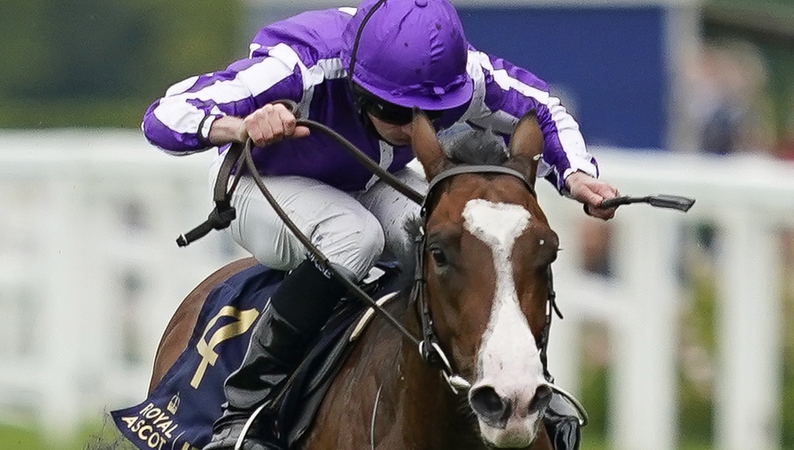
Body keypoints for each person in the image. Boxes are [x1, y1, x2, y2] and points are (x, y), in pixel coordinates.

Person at [142, 0, 619, 448]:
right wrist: (239, 126)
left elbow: (543, 107)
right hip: (263, 184)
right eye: (392, 110)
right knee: (357, 238)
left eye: (431, 115)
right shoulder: (300, 63)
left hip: (364, 179)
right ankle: (247, 409)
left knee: (455, 238)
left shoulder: (459, 72)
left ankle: (522, 383)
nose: (410, 127)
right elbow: (164, 115)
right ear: (356, 82)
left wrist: (576, 173)